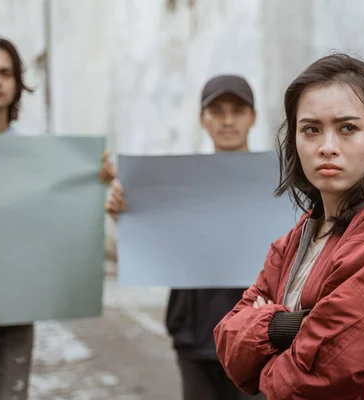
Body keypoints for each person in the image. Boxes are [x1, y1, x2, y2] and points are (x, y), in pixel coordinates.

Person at [213, 53, 364, 399]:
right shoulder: (293, 242)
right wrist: (290, 327)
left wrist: (268, 338)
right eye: (311, 129)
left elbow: (322, 369)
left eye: (347, 128)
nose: (327, 147)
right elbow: (228, 339)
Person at [0, 34, 113, 400]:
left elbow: (56, 217)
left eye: (5, 73)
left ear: (16, 85)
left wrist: (94, 181)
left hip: (16, 307)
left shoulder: (37, 153)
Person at [105, 74, 265, 400]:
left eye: (237, 110)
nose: (228, 120)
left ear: (253, 117)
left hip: (257, 335)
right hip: (195, 333)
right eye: (217, 111)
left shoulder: (277, 182)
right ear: (202, 120)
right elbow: (153, 241)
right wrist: (124, 212)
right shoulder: (174, 184)